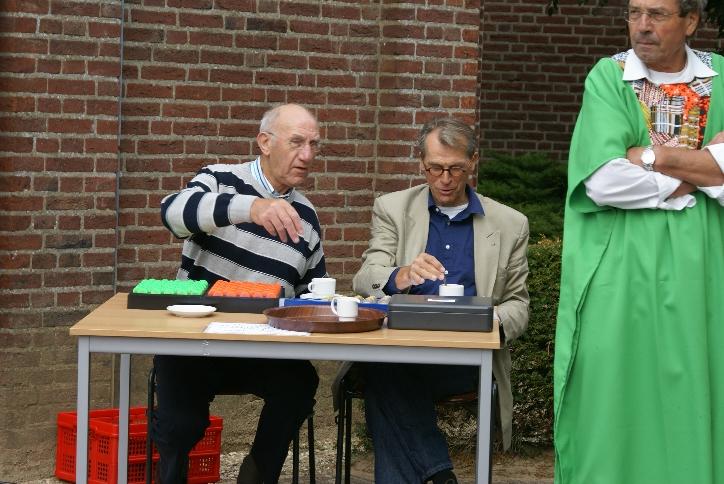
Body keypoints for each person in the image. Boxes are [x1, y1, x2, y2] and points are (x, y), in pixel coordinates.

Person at [554, 0, 724, 482]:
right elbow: (602, 182)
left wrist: (649, 156)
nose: (642, 26)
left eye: (657, 14)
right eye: (634, 13)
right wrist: (701, 170)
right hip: (619, 265)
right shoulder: (609, 78)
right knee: (615, 390)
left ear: (691, 21)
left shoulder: (722, 78)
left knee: (700, 386)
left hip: (707, 266)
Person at [153, 104, 327, 484]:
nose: (307, 155)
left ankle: (256, 475)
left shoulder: (307, 218)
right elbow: (171, 213)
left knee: (299, 384)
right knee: (180, 423)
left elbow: (310, 294)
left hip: (261, 348)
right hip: (194, 342)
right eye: (297, 142)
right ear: (264, 142)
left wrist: (323, 304)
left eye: (314, 145)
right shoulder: (219, 179)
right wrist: (249, 207)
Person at [352, 117, 530, 484]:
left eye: (455, 168)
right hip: (402, 350)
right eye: (435, 168)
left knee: (382, 379)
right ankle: (440, 475)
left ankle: (437, 473)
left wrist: (489, 320)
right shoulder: (392, 208)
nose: (445, 179)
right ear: (421, 162)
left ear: (473, 162)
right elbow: (365, 276)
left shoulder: (510, 223)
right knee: (385, 367)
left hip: (467, 359)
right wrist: (401, 275)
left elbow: (518, 304)